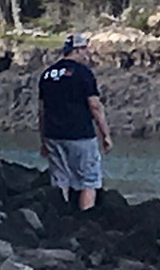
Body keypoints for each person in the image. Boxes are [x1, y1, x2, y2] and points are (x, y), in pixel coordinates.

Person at [38, 33, 112, 211]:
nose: (88, 54)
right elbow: (94, 105)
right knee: (89, 180)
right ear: (77, 50)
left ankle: (61, 217)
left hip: (53, 134)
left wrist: (43, 140)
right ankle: (86, 218)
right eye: (85, 49)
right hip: (80, 135)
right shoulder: (83, 73)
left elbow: (41, 110)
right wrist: (105, 134)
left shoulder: (48, 74)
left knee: (60, 179)